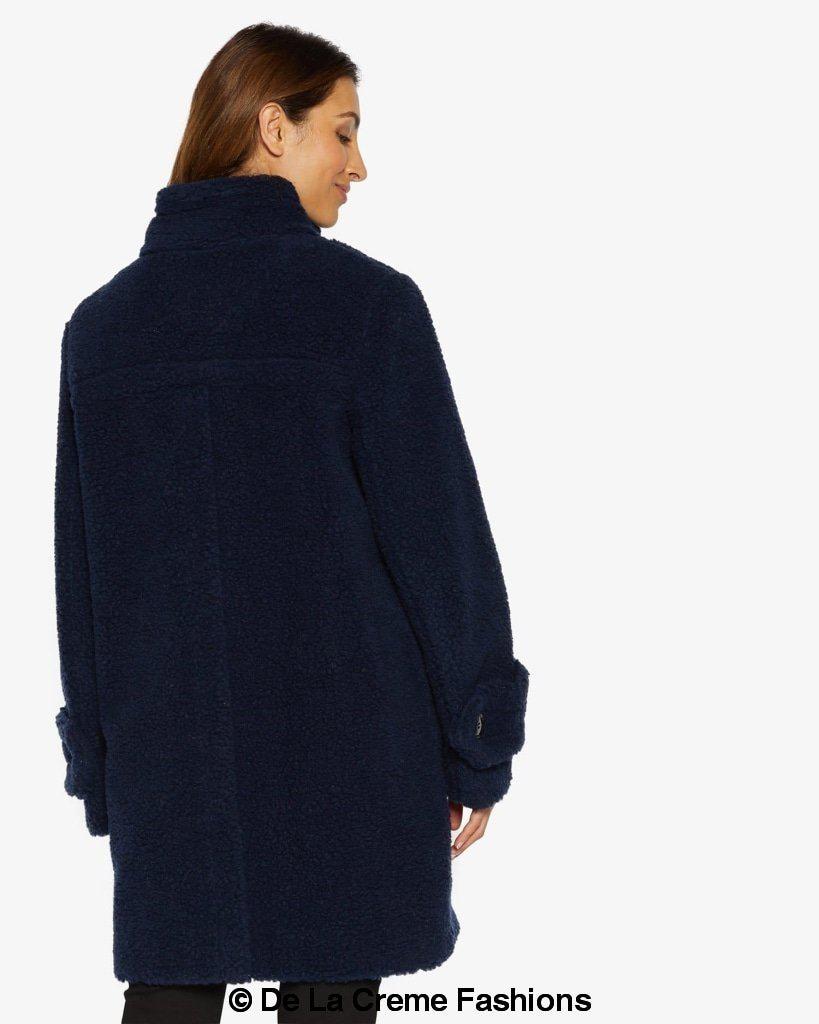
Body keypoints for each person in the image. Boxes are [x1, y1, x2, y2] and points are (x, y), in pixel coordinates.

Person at [53, 22, 530, 1024]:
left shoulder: (102, 331)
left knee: (171, 998)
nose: (360, 165)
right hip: (351, 776)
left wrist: (102, 770)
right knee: (331, 988)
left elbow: (83, 585)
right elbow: (441, 554)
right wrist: (477, 741)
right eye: (343, 132)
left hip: (171, 780)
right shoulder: (365, 309)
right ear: (274, 127)